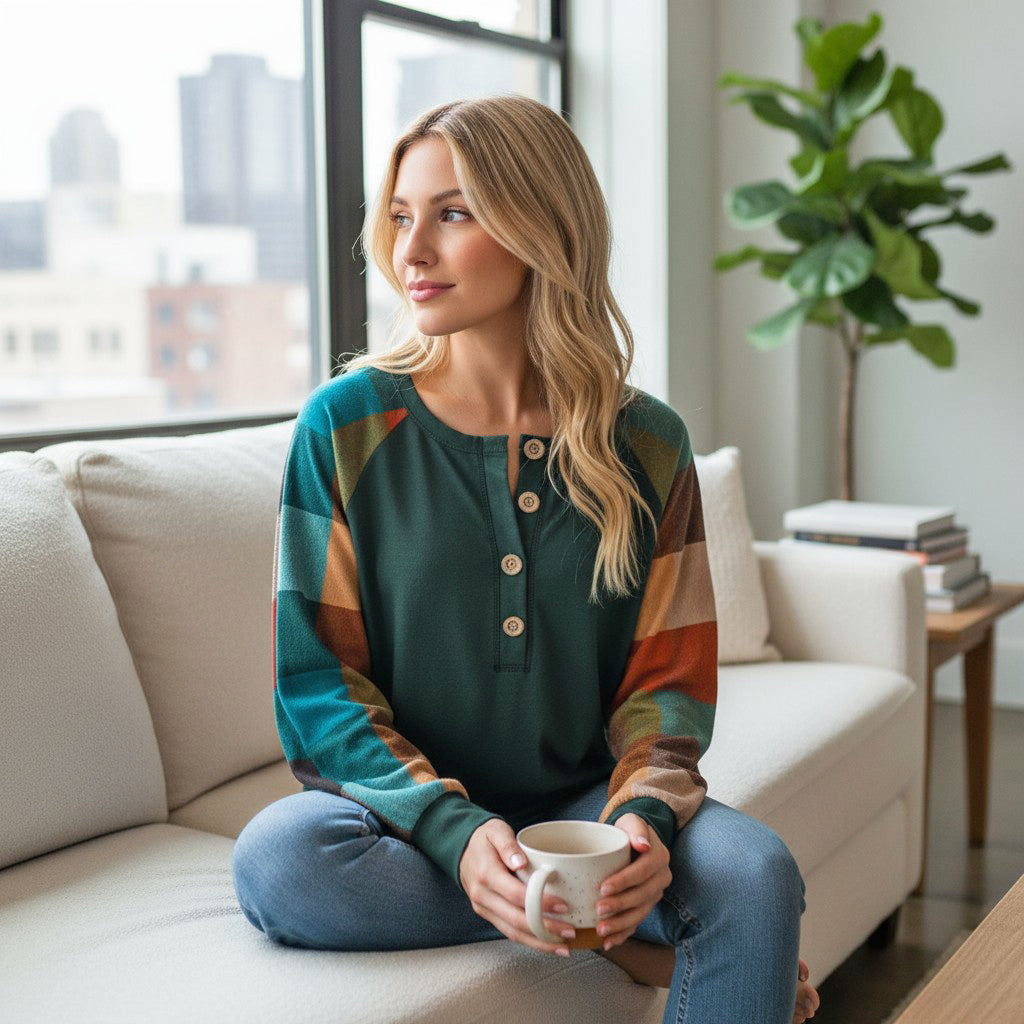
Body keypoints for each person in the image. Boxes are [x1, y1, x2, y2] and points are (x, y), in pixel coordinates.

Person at [231, 94, 820, 1024]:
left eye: (452, 213)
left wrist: (642, 821)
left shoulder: (649, 443)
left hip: (587, 801)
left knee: (755, 875)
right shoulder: (344, 426)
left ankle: (588, 909)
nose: (410, 250)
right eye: (399, 216)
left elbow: (667, 686)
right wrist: (462, 838)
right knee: (280, 861)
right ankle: (617, 941)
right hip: (405, 817)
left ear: (542, 226)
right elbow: (317, 685)